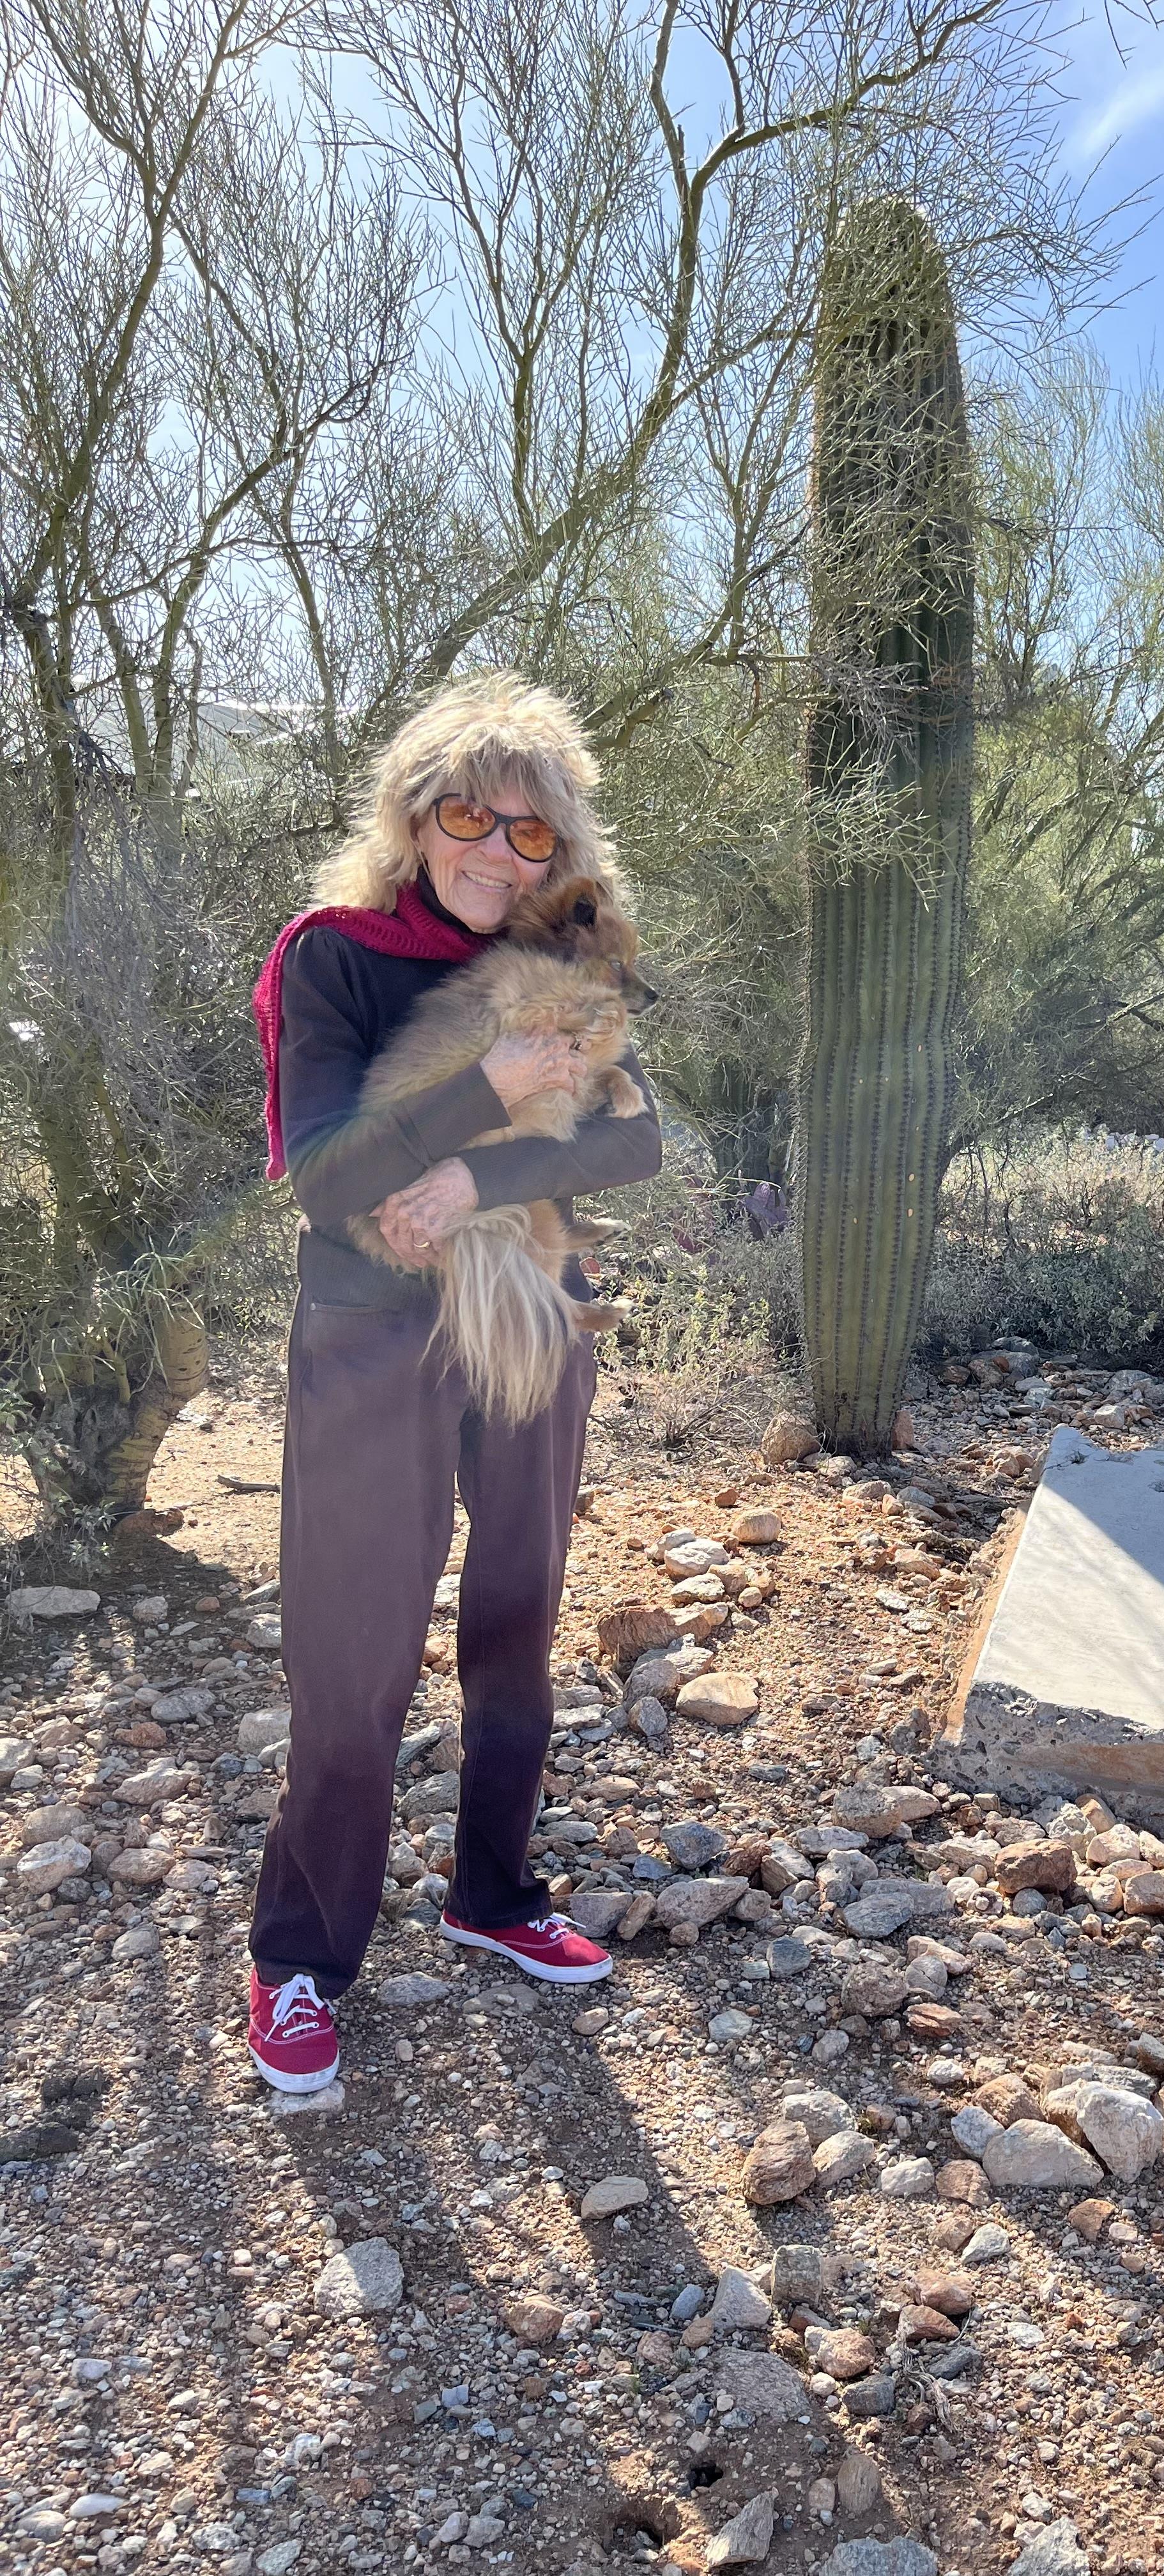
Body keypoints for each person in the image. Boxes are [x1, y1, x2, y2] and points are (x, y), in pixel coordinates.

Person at [243, 674, 662, 2093]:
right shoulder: (337, 958)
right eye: (467, 816)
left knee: (516, 1614)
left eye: (529, 831)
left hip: (536, 1311)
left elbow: (634, 1142)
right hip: (373, 1329)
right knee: (355, 1642)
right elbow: (326, 1176)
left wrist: (481, 1168)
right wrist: (487, 1081)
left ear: (564, 849)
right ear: (415, 822)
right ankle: (300, 1955)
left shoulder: (573, 947)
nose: (496, 851)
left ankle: (494, 1894)